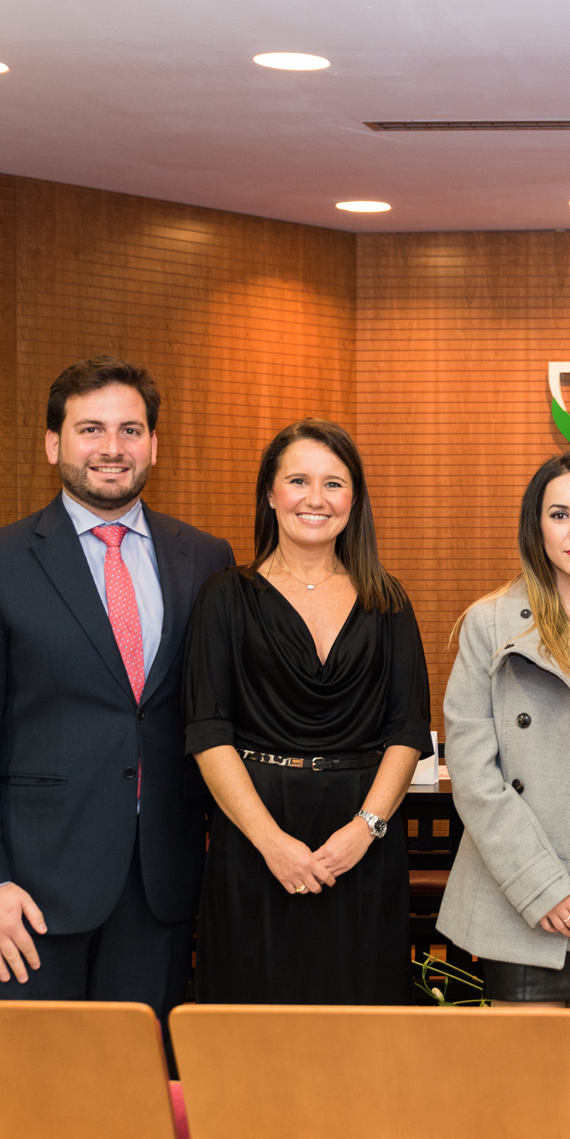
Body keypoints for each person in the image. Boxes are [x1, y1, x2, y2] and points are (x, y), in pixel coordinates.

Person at [0, 357, 234, 1015]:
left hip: (159, 886)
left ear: (154, 444)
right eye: (90, 429)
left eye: (130, 430)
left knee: (137, 1074)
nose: (112, 448)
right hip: (27, 894)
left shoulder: (206, 557)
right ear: (53, 444)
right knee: (26, 1076)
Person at [439, 453, 570, 1139]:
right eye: (559, 514)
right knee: (524, 1075)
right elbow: (473, 768)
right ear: (536, 527)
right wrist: (539, 885)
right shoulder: (489, 622)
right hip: (517, 892)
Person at [184, 419, 431, 1003]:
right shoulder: (224, 596)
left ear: (355, 499)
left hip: (362, 841)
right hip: (255, 837)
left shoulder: (388, 599)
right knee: (253, 1022)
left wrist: (365, 830)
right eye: (298, 480)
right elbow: (209, 733)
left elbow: (406, 730)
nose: (315, 498)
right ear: (270, 494)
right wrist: (271, 843)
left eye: (334, 483)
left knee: (363, 1021)